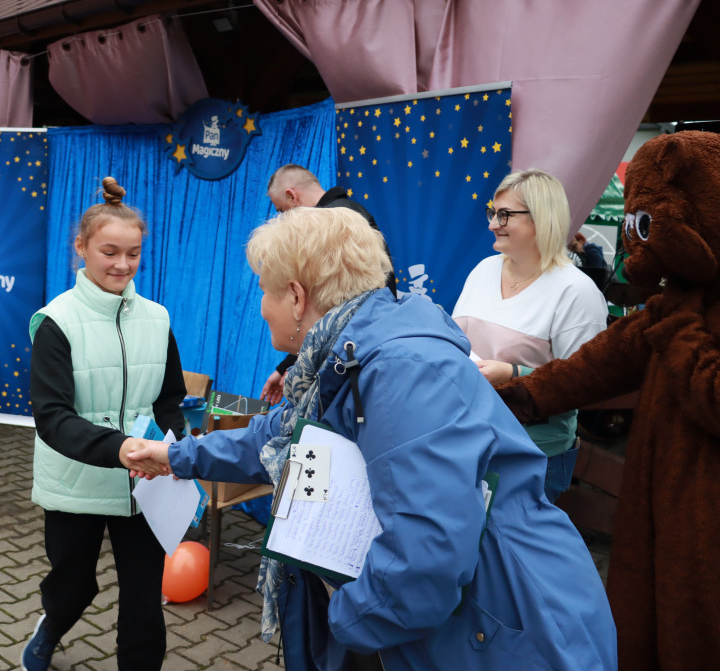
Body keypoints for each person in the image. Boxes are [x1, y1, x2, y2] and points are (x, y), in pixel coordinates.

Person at [125, 206, 617, 671]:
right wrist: (173, 455)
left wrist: (346, 615)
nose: (261, 307)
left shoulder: (400, 370)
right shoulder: (348, 353)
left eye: (264, 290)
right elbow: (275, 437)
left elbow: (426, 557)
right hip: (475, 618)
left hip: (505, 627)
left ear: (296, 297)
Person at [22, 177, 187, 671]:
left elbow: (170, 398)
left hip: (145, 482)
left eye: (133, 253)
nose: (122, 264)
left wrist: (174, 447)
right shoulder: (56, 322)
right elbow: (52, 418)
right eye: (109, 251)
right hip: (75, 481)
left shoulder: (157, 318)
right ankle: (52, 624)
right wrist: (120, 449)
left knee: (143, 599)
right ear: (81, 247)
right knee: (73, 585)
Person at [451, 169, 607, 503]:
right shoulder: (484, 270)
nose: (493, 223)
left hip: (532, 455)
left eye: (505, 214)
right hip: (467, 438)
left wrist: (512, 374)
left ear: (542, 218)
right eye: (492, 212)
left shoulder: (576, 291)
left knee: (511, 553)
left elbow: (587, 386)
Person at [260, 164, 396, 405]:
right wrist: (286, 367)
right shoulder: (348, 215)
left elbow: (332, 308)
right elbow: (324, 313)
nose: (283, 221)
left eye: (282, 211)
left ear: (292, 196)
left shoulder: (333, 226)